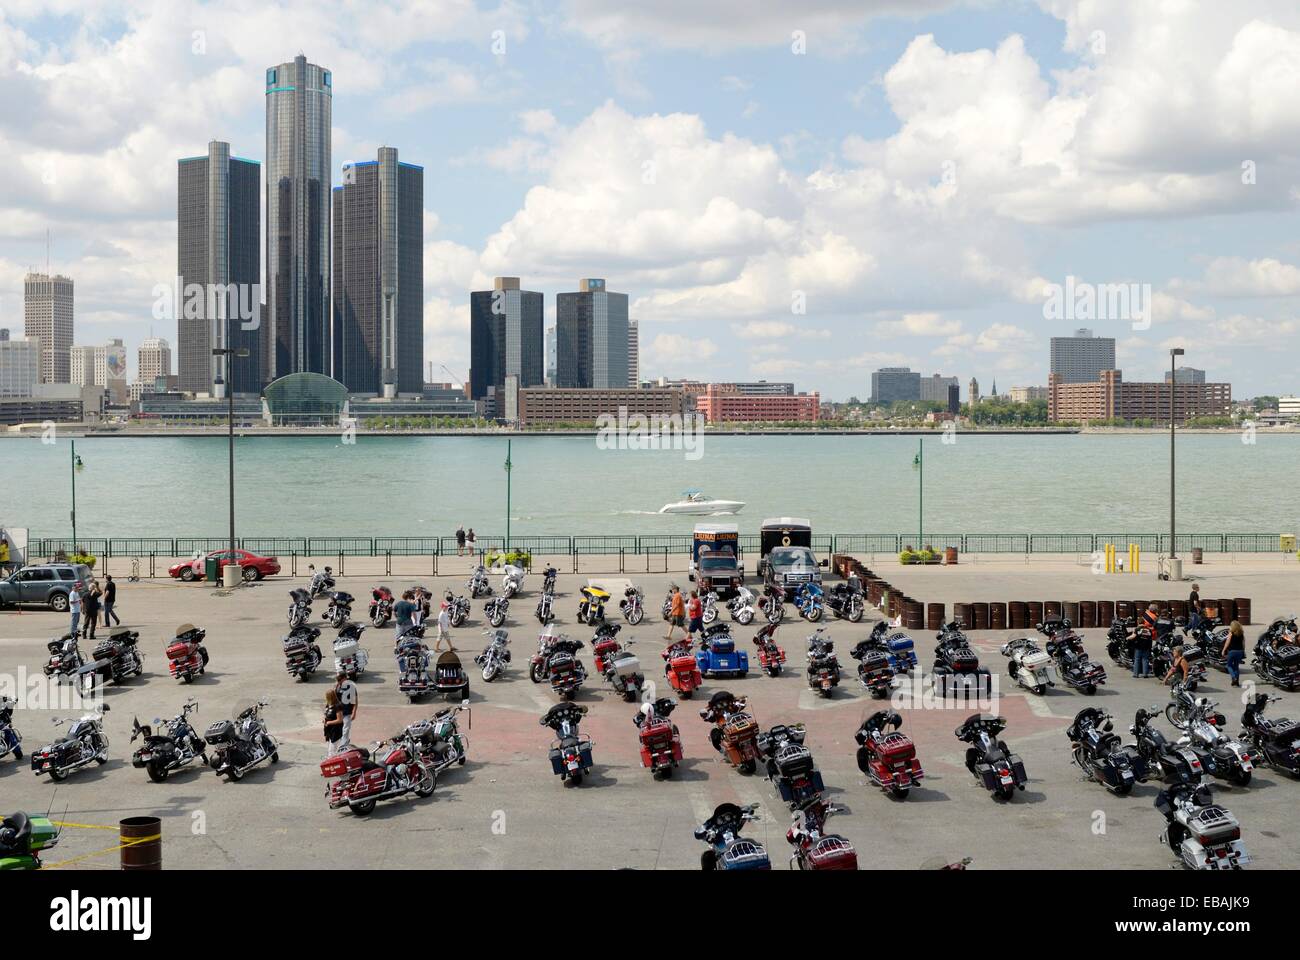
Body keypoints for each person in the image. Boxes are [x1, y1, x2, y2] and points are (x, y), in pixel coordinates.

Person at [335, 672, 358, 750]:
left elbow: (355, 701)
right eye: (337, 680)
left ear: (345, 678)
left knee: (346, 729)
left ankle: (343, 746)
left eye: (339, 680)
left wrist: (354, 712)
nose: (338, 681)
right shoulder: (337, 686)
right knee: (340, 730)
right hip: (339, 712)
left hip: (347, 712)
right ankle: (345, 742)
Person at [1222, 620, 1246, 687]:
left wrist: (1223, 650)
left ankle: (1234, 677)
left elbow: (1227, 642)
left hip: (1232, 651)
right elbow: (1243, 643)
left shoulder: (1231, 633)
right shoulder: (1241, 633)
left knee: (1229, 665)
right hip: (1240, 651)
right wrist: (1243, 651)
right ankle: (1236, 682)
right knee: (1236, 667)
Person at [323, 689, 345, 756]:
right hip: (329, 731)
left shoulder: (337, 706)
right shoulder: (328, 705)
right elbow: (327, 714)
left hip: (335, 731)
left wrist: (329, 722)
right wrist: (324, 720)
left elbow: (340, 720)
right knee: (330, 750)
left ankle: (332, 762)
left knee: (332, 751)